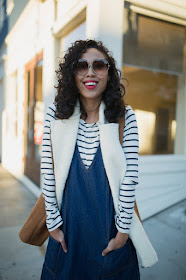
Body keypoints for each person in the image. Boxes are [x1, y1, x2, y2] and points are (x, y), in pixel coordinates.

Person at [40, 39, 140, 279]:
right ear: (71, 74)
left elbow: (130, 178)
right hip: (67, 235)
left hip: (110, 236)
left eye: (99, 65)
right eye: (81, 66)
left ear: (109, 73)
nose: (90, 73)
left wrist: (122, 233)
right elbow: (48, 171)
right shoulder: (56, 114)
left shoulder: (125, 117)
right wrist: (53, 225)